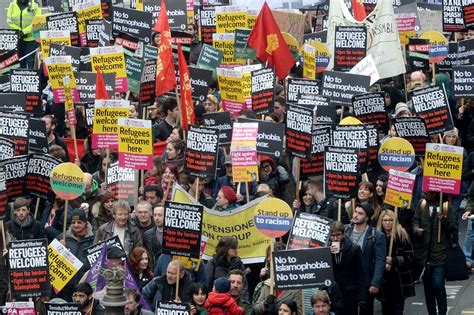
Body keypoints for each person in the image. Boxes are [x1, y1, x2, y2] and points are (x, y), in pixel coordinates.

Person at [412, 191, 455, 315]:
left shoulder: (446, 207)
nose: (423, 193)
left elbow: (452, 227)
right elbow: (415, 221)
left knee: (438, 284)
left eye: (426, 192)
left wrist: (444, 220)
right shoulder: (422, 204)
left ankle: (442, 311)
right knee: (428, 287)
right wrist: (416, 229)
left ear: (434, 194)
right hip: (424, 255)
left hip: (440, 253)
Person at [345, 202, 386, 315]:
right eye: (355, 212)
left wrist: (375, 282)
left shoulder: (377, 235)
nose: (356, 215)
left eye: (360, 213)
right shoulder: (345, 231)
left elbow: (380, 260)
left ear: (367, 217)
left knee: (366, 311)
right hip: (347, 281)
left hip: (365, 282)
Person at [376, 210, 415, 315]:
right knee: (385, 308)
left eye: (390, 220)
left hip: (399, 278)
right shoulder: (377, 236)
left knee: (397, 309)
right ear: (381, 222)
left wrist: (394, 261)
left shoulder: (402, 235)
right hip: (384, 278)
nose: (388, 222)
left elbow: (410, 257)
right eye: (385, 220)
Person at [56, 208, 95, 300]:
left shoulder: (94, 237)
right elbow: (52, 260)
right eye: (73, 222)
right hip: (67, 286)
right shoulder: (63, 237)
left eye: (79, 222)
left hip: (87, 286)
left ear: (85, 223)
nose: (76, 225)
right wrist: (59, 249)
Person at [329, 221, 366, 314]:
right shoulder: (326, 249)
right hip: (333, 294)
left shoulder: (354, 248)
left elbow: (361, 274)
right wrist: (327, 253)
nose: (336, 238)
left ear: (344, 234)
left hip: (350, 294)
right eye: (332, 236)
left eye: (338, 235)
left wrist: (362, 298)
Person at [7, 0, 41, 68]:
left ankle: (31, 75)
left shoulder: (35, 5)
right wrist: (19, 32)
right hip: (18, 37)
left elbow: (37, 21)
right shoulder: (12, 5)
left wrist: (24, 31)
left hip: (32, 37)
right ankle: (22, 75)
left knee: (31, 60)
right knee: (20, 59)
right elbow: (9, 21)